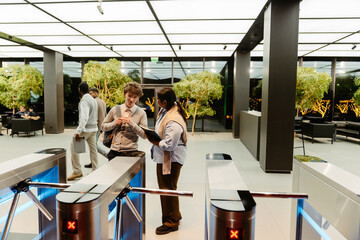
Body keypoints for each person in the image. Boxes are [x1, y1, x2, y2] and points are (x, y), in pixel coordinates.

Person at [144, 87, 188, 235]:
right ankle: (175, 214)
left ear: (163, 101)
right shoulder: (166, 111)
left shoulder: (174, 121)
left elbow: (170, 145)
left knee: (166, 188)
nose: (155, 101)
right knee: (169, 187)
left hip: (171, 159)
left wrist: (154, 141)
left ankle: (171, 222)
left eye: (157, 99)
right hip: (165, 158)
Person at [101, 82, 147, 160]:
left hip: (131, 152)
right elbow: (103, 126)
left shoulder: (141, 113)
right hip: (114, 151)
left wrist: (131, 123)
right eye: (129, 96)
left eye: (135, 97)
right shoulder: (116, 109)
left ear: (138, 98)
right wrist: (114, 123)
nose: (132, 100)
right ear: (124, 94)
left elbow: (144, 135)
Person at [67, 82, 98, 181]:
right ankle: (95, 170)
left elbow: (84, 118)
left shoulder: (84, 101)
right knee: (93, 150)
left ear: (80, 90)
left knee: (73, 146)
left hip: (86, 129)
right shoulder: (93, 100)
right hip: (94, 129)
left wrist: (78, 132)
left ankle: (77, 171)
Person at [84, 87, 108, 168]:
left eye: (91, 93)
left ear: (96, 93)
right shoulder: (103, 102)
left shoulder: (94, 102)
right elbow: (105, 115)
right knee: (92, 145)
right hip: (101, 127)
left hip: (95, 127)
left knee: (93, 145)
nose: (90, 95)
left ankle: (108, 155)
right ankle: (92, 162)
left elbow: (91, 116)